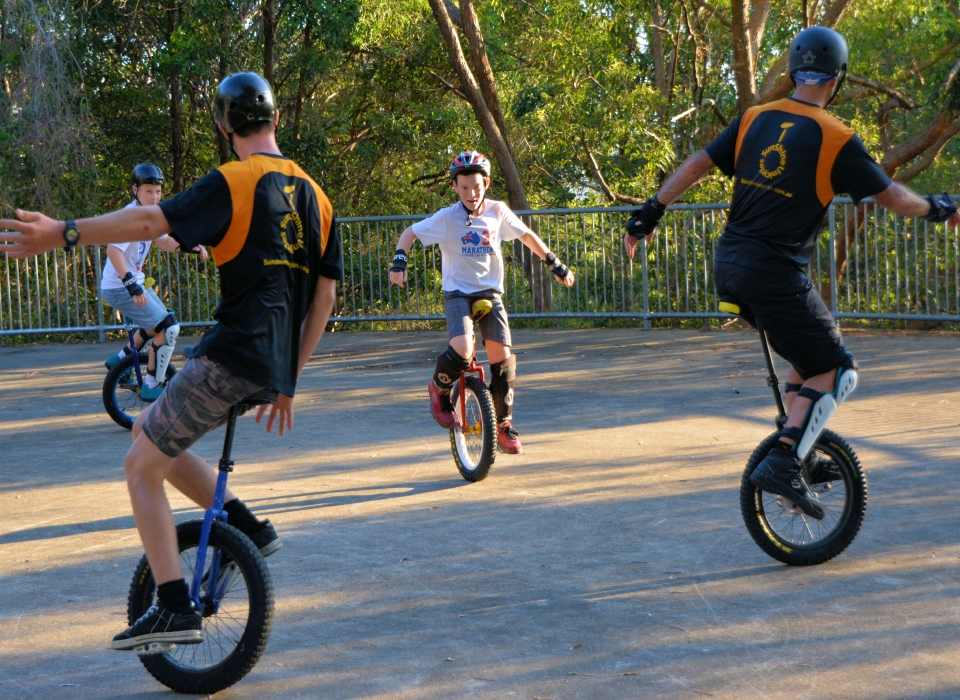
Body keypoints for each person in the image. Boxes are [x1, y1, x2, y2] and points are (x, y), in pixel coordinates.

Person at [0, 71, 341, 648]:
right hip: (272, 363)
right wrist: (288, 382)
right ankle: (248, 525)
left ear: (223, 124)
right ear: (276, 120)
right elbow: (325, 299)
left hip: (231, 353)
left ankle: (175, 606)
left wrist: (65, 231)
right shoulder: (319, 195)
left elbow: (148, 221)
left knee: (140, 467)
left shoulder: (235, 179)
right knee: (146, 430)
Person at [623, 26, 960, 519]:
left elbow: (697, 164)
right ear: (836, 79)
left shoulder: (755, 118)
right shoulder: (836, 136)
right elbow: (890, 196)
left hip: (730, 265)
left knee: (809, 356)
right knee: (839, 369)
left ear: (792, 70)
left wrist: (651, 210)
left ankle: (798, 448)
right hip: (774, 272)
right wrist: (936, 207)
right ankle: (785, 458)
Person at [389, 150, 575, 454]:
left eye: (476, 186)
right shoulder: (447, 218)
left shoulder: (498, 211)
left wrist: (554, 263)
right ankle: (439, 388)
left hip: (490, 293)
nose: (471, 194)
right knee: (463, 350)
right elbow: (409, 233)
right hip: (458, 293)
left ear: (486, 183)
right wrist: (399, 263)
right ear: (454, 187)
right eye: (463, 188)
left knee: (502, 359)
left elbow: (526, 235)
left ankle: (503, 425)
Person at [101, 163, 208, 401]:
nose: (155, 196)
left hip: (130, 282)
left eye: (158, 191)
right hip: (120, 286)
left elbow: (164, 242)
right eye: (148, 191)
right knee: (168, 327)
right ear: (135, 190)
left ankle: (119, 360)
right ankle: (152, 384)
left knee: (160, 319)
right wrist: (132, 285)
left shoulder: (152, 214)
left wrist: (188, 246)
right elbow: (113, 251)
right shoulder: (130, 217)